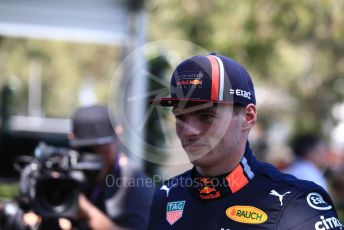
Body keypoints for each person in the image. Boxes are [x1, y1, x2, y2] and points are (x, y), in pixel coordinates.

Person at [147, 53, 342, 229]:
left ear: (248, 117)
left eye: (206, 116)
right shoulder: (167, 195)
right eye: (180, 117)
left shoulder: (297, 205)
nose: (189, 132)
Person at [69, 105, 154, 230]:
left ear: (117, 135)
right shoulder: (66, 177)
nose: (96, 157)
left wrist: (86, 210)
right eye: (87, 150)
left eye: (103, 148)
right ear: (70, 139)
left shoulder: (136, 183)